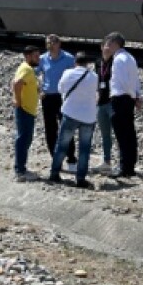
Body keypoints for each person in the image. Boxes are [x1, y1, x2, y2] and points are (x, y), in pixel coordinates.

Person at [48, 53, 98, 189]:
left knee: (62, 145)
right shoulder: (94, 76)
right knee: (84, 149)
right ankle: (80, 179)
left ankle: (54, 174)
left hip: (70, 113)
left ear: (75, 62)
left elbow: (60, 89)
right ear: (87, 63)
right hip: (88, 116)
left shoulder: (68, 73)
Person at [102, 32, 142, 178]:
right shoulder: (130, 57)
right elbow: (135, 79)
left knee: (122, 135)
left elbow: (124, 82)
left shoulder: (118, 60)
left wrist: (130, 94)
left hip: (120, 99)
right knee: (129, 133)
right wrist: (136, 96)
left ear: (114, 44)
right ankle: (130, 166)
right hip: (129, 98)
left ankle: (124, 167)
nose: (106, 46)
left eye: (108, 43)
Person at [39, 34, 78, 171]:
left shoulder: (68, 58)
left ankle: (71, 159)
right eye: (48, 42)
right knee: (50, 129)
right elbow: (35, 73)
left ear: (59, 44)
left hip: (63, 97)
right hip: (48, 97)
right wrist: (40, 89)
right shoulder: (42, 59)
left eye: (53, 42)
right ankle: (55, 158)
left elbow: (75, 76)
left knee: (66, 128)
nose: (50, 45)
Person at [12, 45, 41, 182]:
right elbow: (17, 83)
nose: (38, 58)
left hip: (27, 109)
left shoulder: (25, 68)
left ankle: (21, 168)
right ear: (28, 56)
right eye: (36, 56)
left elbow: (17, 83)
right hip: (25, 109)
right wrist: (17, 100)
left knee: (24, 139)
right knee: (24, 139)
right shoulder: (27, 69)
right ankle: (20, 171)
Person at [95, 51, 117, 173]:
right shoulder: (98, 62)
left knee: (118, 133)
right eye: (104, 46)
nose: (107, 49)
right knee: (105, 134)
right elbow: (97, 80)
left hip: (111, 102)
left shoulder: (115, 62)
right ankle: (106, 161)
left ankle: (121, 162)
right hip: (100, 103)